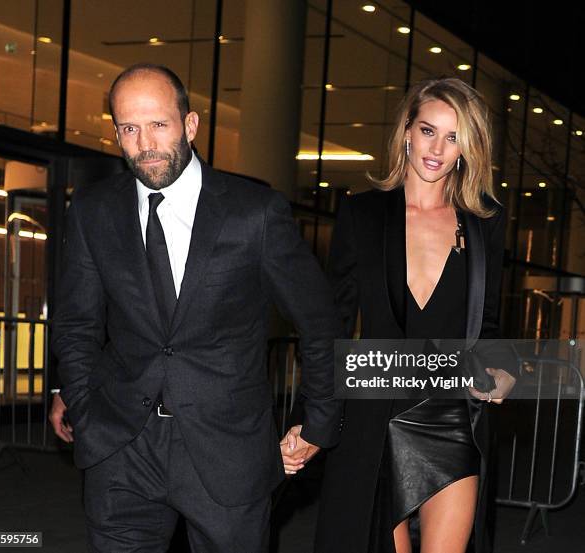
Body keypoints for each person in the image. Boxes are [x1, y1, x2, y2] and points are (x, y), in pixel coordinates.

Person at [51, 63, 342, 553]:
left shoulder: (255, 212)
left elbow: (320, 323)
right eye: (129, 127)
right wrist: (83, 402)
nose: (144, 142)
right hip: (122, 446)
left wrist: (317, 421)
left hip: (226, 450)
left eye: (158, 124)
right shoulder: (93, 211)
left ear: (190, 125)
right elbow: (77, 322)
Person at [301, 77, 517, 553]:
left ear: (467, 147)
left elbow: (489, 325)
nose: (437, 148)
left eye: (454, 136)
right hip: (375, 415)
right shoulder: (363, 216)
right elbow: (333, 326)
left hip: (452, 413)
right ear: (406, 132)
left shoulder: (482, 224)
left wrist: (503, 372)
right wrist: (312, 416)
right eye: (428, 130)